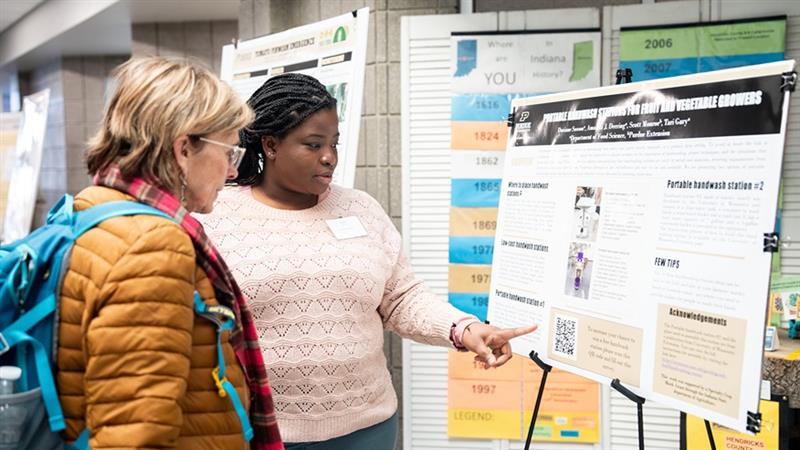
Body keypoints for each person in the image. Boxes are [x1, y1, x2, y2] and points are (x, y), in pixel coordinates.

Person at [199, 73, 536, 449]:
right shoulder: (216, 216)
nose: (329, 157)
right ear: (271, 144)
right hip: (259, 429)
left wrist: (464, 328)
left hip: (367, 427)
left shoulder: (361, 208)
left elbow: (402, 297)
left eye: (334, 143)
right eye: (313, 144)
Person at [55, 57, 283, 449]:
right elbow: (135, 435)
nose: (232, 172)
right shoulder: (152, 246)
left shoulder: (94, 207)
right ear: (183, 149)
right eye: (229, 152)